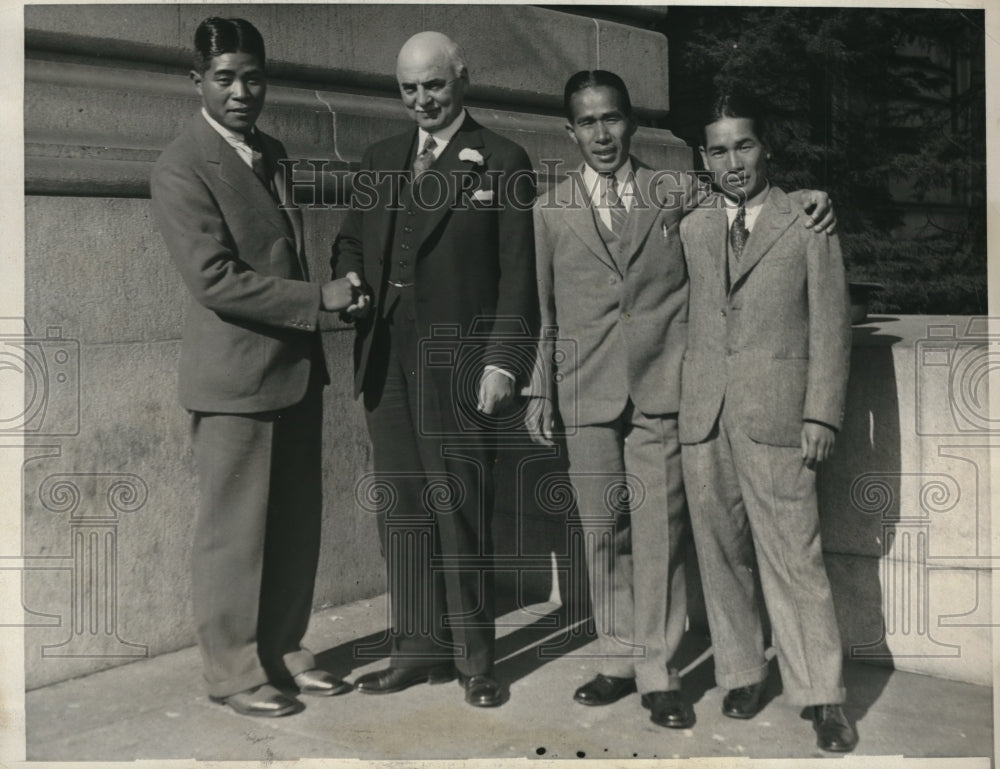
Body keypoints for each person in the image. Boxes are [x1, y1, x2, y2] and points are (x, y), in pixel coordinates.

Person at [529, 71, 836, 730]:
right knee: (602, 532)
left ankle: (658, 672)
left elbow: (749, 195)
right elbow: (544, 310)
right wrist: (538, 387)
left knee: (659, 536)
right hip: (584, 389)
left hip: (663, 390)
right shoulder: (548, 210)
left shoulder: (676, 191)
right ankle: (618, 657)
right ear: (570, 131)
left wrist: (813, 196)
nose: (602, 133)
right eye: (587, 122)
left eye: (612, 118)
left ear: (631, 122)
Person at [150, 17, 364, 718]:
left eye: (252, 77)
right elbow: (214, 279)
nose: (241, 91)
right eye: (224, 78)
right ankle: (233, 671)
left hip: (294, 370)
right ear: (197, 82)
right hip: (235, 380)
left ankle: (285, 649)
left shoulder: (270, 151)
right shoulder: (181, 164)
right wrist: (318, 299)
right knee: (233, 534)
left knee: (295, 525)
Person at [330, 31, 537, 708]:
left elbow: (518, 277)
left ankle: (476, 659)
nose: (422, 99)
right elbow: (351, 241)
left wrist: (505, 362)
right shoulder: (381, 158)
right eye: (409, 88)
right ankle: (417, 648)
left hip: (459, 362)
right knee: (405, 512)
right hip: (385, 358)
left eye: (435, 85)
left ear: (462, 80)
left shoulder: (502, 159)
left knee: (461, 508)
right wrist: (351, 275)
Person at [678, 91, 857, 752]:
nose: (733, 161)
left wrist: (822, 413)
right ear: (704, 157)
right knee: (720, 554)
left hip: (781, 416)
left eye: (744, 145)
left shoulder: (807, 220)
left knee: (794, 555)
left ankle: (822, 694)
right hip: (705, 417)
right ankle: (744, 672)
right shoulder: (694, 227)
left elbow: (832, 323)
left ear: (767, 147)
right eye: (719, 149)